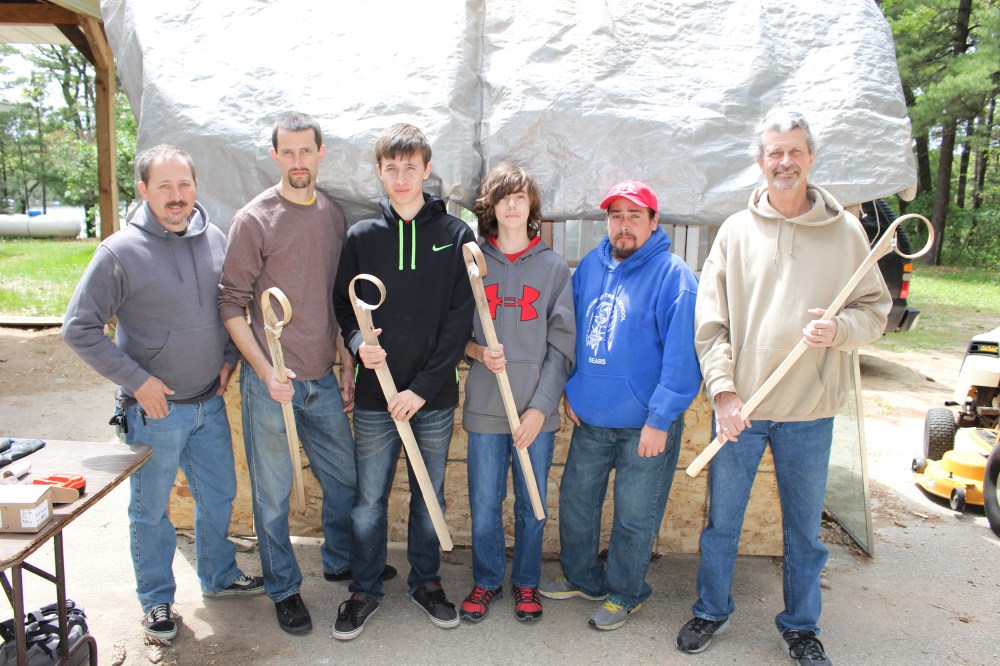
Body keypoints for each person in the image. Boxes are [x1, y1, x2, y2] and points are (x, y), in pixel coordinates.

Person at [675, 110, 890, 666]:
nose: (785, 162)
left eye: (794, 151)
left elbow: (875, 312)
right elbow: (711, 323)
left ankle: (800, 626)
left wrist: (838, 330)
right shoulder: (735, 232)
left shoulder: (846, 233)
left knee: (803, 532)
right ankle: (711, 608)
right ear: (760, 161)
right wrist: (723, 392)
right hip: (742, 410)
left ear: (811, 158)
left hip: (810, 411)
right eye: (774, 152)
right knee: (723, 522)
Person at [62, 144, 264, 642]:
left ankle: (218, 576)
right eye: (164, 186)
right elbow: (79, 327)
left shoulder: (214, 238)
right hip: (154, 411)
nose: (177, 196)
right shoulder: (119, 252)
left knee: (218, 496)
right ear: (143, 190)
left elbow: (230, 305)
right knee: (150, 511)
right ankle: (156, 601)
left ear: (196, 187)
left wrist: (228, 358)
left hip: (207, 401)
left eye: (184, 185)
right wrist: (138, 381)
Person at [219, 111, 393, 636]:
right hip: (273, 383)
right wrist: (264, 369)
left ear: (321, 154)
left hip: (320, 379)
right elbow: (230, 305)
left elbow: (339, 300)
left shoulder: (332, 217)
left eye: (305, 151)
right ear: (275, 156)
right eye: (287, 152)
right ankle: (284, 589)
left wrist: (343, 363)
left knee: (345, 482)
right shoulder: (254, 219)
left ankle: (340, 559)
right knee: (272, 495)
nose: (297, 161)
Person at [331, 123, 475, 640]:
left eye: (409, 167)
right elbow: (344, 308)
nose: (400, 176)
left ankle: (426, 583)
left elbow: (460, 321)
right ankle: (364, 589)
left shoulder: (456, 235)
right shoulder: (362, 237)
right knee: (368, 500)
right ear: (379, 171)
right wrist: (356, 346)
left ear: (426, 169)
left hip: (431, 399)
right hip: (375, 400)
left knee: (427, 494)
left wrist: (421, 388)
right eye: (390, 167)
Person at [539, 180, 702, 631]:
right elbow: (569, 328)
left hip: (644, 427)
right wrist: (571, 387)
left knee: (634, 516)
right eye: (616, 216)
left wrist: (661, 418)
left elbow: (682, 357)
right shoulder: (591, 265)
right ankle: (583, 577)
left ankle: (627, 592)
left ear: (654, 222)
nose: (623, 225)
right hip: (592, 419)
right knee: (576, 500)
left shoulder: (674, 277)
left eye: (634, 216)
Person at [459, 163, 575, 623]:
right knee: (485, 502)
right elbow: (455, 338)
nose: (512, 204)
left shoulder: (552, 268)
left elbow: (562, 347)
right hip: (487, 408)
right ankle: (487, 580)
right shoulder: (471, 264)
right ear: (491, 206)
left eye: (521, 197)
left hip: (534, 414)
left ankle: (527, 581)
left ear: (531, 208)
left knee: (532, 501)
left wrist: (540, 409)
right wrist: (478, 351)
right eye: (503, 196)